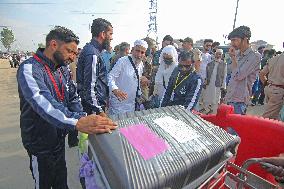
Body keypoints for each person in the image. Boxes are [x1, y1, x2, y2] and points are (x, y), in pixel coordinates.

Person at [17, 26, 117, 189]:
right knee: (44, 183)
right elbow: (42, 101)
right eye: (70, 51)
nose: (73, 57)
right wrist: (78, 122)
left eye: (75, 53)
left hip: (57, 139)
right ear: (54, 45)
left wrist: (83, 116)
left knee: (61, 183)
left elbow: (73, 96)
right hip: (40, 144)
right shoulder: (30, 68)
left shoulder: (62, 68)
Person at [77, 18, 113, 117]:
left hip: (94, 106)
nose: (111, 38)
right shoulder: (93, 54)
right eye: (110, 34)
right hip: (92, 109)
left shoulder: (95, 51)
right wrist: (100, 111)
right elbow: (90, 88)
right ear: (102, 34)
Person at [224, 26, 261, 114]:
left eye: (235, 40)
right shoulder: (237, 54)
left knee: (233, 127)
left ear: (245, 39)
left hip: (239, 101)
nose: (232, 43)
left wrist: (233, 58)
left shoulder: (254, 56)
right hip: (230, 97)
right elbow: (230, 74)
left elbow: (239, 75)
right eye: (231, 40)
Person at [108, 39, 148, 115]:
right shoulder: (122, 61)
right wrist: (115, 89)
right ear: (132, 50)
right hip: (119, 104)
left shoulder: (141, 65)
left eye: (142, 52)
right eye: (137, 51)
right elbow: (110, 77)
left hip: (132, 104)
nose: (139, 55)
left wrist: (142, 79)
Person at [260, 52, 284, 120]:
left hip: (270, 88)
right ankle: (256, 129)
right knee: (267, 118)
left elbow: (262, 74)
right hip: (278, 91)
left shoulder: (273, 58)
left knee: (274, 117)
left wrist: (266, 84)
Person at [202, 49, 227, 114]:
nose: (218, 55)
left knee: (216, 97)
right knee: (207, 96)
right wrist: (205, 81)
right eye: (217, 54)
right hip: (209, 83)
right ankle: (206, 109)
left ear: (221, 55)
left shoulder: (224, 64)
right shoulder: (210, 63)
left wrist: (223, 85)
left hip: (218, 83)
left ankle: (213, 110)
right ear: (215, 54)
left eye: (220, 54)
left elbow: (225, 75)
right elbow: (206, 73)